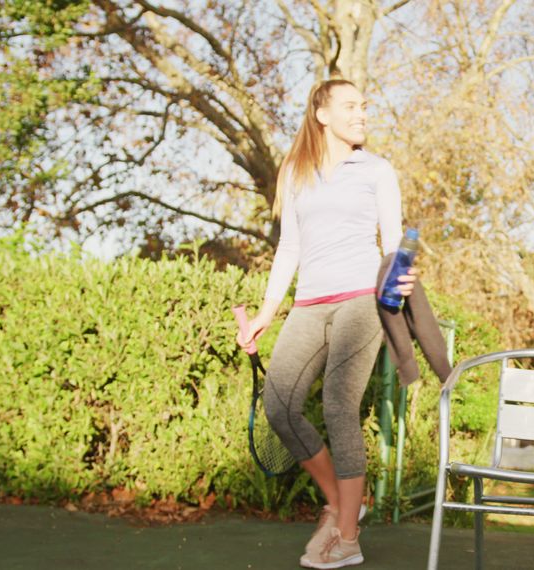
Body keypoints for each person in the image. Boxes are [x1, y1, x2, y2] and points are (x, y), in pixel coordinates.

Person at [236, 78, 415, 569]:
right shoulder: (295, 171)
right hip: (309, 304)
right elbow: (289, 248)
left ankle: (349, 537)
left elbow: (393, 241)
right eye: (351, 106)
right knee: (280, 406)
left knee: (339, 405)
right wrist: (265, 316)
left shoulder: (377, 170)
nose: (362, 113)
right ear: (321, 114)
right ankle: (339, 503)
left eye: (365, 106)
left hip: (360, 300)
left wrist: (397, 281)